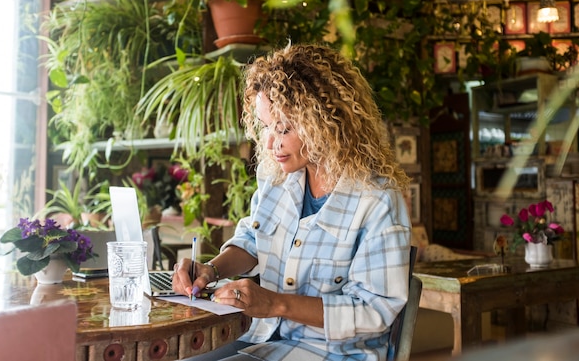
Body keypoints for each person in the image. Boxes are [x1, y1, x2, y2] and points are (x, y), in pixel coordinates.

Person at [172, 43, 412, 361]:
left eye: (283, 128)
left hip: (334, 353)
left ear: (325, 122)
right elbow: (252, 241)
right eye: (265, 126)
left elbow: (374, 311)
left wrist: (276, 303)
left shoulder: (377, 201)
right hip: (263, 337)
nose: (270, 143)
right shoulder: (277, 178)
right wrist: (210, 270)